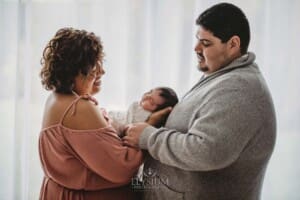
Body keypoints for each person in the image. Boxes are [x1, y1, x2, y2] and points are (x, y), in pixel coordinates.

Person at [123, 3, 276, 200]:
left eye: (206, 43)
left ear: (233, 44)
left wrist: (148, 137)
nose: (196, 48)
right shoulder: (222, 75)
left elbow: (206, 151)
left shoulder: (238, 89)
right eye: (197, 40)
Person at [38, 27, 143, 200]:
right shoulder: (78, 108)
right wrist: (148, 130)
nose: (101, 72)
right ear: (74, 69)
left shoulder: (56, 99)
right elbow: (122, 168)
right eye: (94, 67)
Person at [108, 87, 178, 136]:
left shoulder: (146, 115)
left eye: (151, 101)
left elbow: (131, 128)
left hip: (112, 124)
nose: (147, 96)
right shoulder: (141, 107)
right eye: (150, 92)